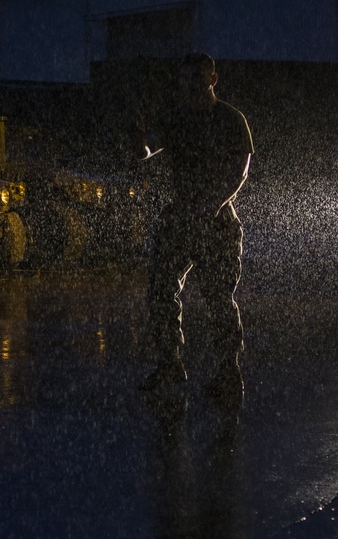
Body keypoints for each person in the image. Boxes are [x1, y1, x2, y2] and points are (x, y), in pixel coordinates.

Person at [136, 52, 254, 393]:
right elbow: (146, 151)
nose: (189, 85)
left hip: (216, 220)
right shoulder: (175, 118)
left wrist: (210, 207)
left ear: (212, 80)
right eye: (185, 79)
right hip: (181, 217)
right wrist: (138, 139)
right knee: (161, 288)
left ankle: (229, 370)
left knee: (218, 296)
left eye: (196, 79)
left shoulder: (230, 119)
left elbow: (239, 172)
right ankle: (170, 364)